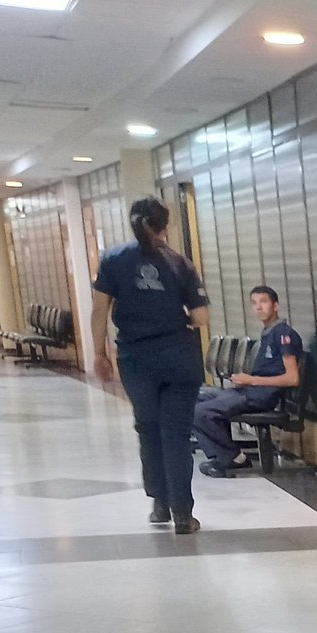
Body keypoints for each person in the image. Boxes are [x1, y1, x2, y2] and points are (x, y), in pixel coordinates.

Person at [92, 197, 210, 535]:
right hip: (178, 357)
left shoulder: (113, 260)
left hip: (135, 358)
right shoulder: (180, 264)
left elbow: (99, 310)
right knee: (176, 433)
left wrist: (99, 353)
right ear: (165, 226)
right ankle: (183, 514)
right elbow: (201, 317)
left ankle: (159, 504)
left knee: (148, 427)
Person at [192, 285, 303, 477]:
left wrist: (251, 380)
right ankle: (222, 456)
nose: (258, 307)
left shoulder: (283, 335)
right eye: (254, 303)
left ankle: (234, 458)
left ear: (275, 306)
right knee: (191, 401)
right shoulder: (268, 332)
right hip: (250, 390)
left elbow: (292, 378)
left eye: (264, 302)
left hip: (262, 396)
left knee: (200, 412)